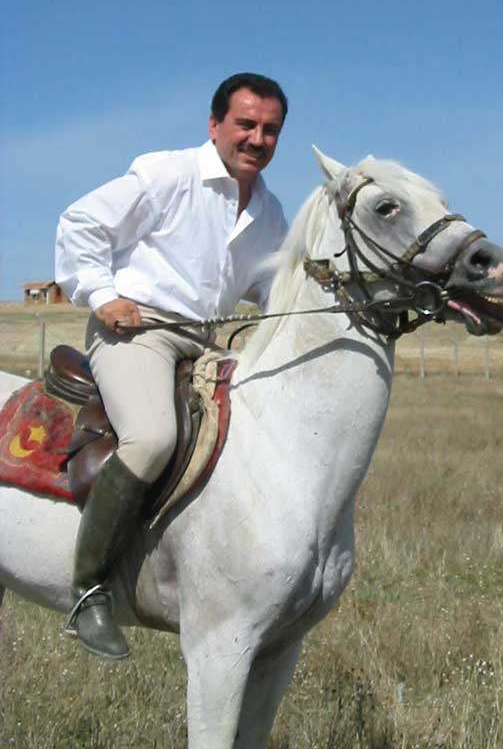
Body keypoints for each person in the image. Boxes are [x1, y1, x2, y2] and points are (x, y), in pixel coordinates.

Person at [55, 72, 289, 661]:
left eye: (270, 129)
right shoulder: (168, 173)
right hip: (138, 332)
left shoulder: (268, 210)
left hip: (209, 343)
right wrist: (101, 293)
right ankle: (88, 590)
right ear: (215, 125)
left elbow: (273, 289)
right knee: (154, 435)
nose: (257, 138)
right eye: (246, 124)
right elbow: (81, 222)